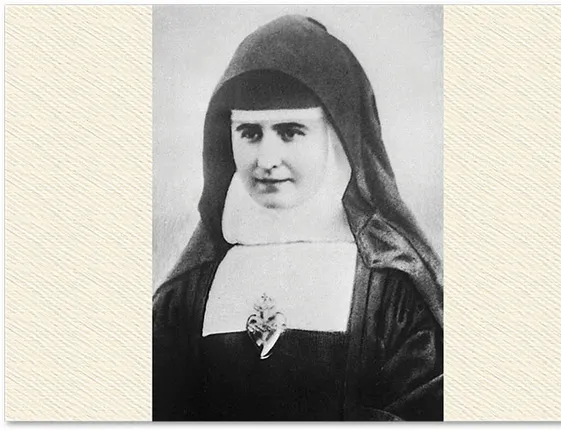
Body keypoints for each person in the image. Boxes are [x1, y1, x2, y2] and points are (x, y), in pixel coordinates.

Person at [153, 15, 443, 421]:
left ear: (335, 137)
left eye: (290, 132)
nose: (267, 160)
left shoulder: (393, 291)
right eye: (250, 132)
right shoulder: (187, 292)